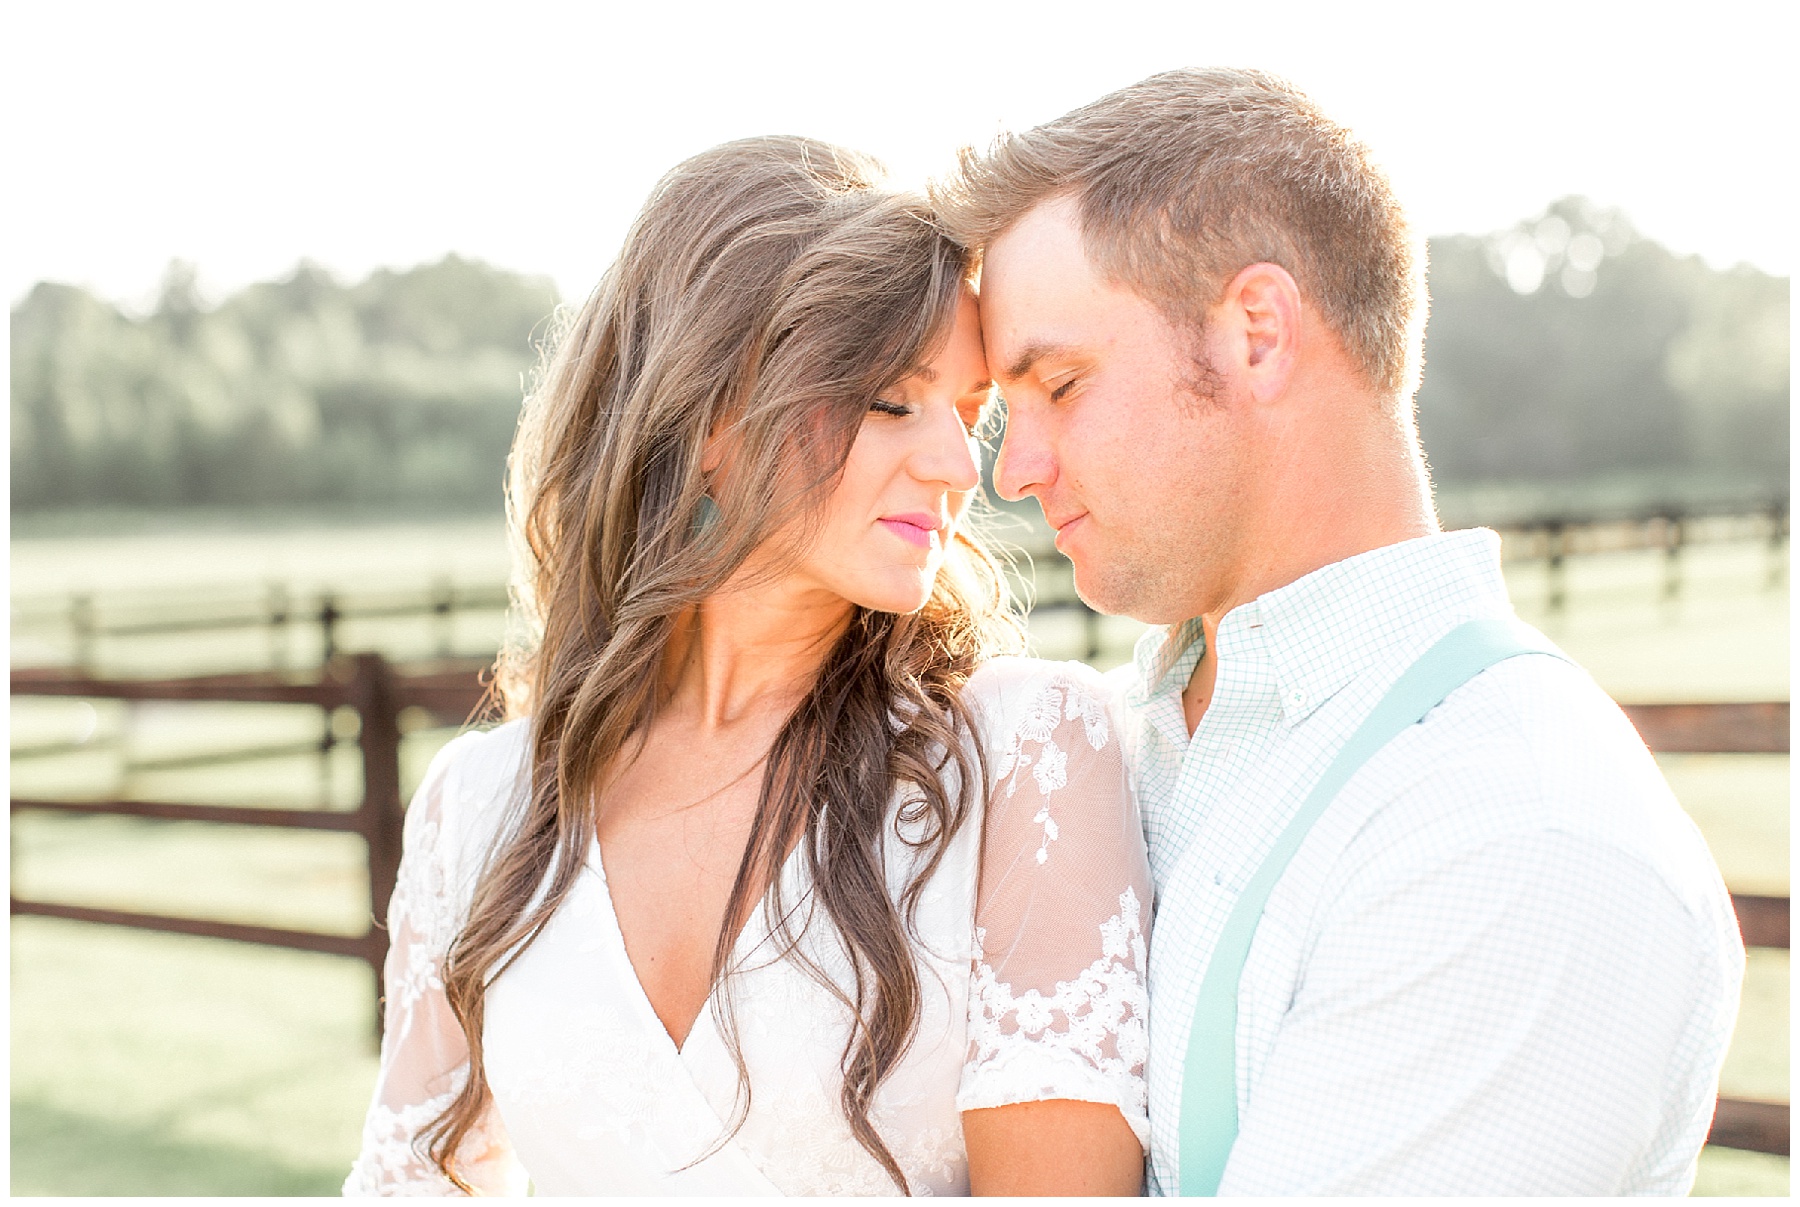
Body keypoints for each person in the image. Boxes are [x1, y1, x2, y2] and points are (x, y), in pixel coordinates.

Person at [935, 68, 1743, 1196]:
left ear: (1256, 334)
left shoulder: (1519, 834)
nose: (1011, 472)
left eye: (1060, 384)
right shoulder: (1112, 738)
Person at [342, 136, 1151, 1196]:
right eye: (891, 401)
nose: (964, 467)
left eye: (965, 412)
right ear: (711, 418)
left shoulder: (1025, 756)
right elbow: (409, 1184)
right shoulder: (482, 809)